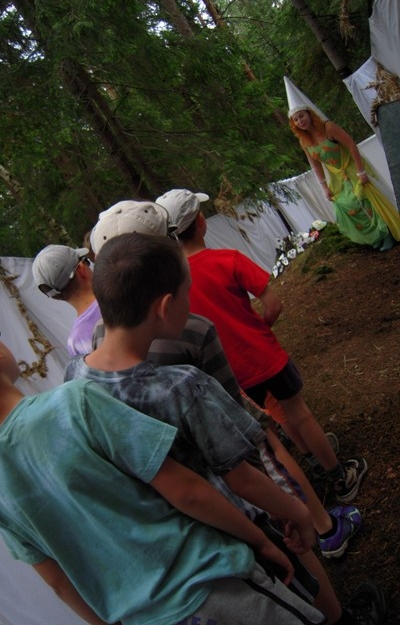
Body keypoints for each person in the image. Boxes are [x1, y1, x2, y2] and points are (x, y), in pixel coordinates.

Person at [0, 286, 328, 625]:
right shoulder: (73, 403)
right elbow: (185, 491)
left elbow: (58, 581)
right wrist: (260, 542)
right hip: (211, 585)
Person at [65, 231, 385, 625]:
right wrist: (298, 512)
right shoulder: (182, 387)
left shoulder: (75, 376)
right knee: (292, 582)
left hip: (176, 540)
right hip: (234, 519)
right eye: (186, 294)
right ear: (165, 307)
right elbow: (241, 476)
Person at [87, 200, 362, 561]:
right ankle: (324, 525)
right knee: (272, 446)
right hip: (234, 425)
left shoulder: (99, 341)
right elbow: (240, 421)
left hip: (198, 486)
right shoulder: (191, 325)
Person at [155, 189, 368, 506]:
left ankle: (312, 462)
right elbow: (274, 304)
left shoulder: (173, 286)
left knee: (276, 420)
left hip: (230, 375)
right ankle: (339, 476)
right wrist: (260, 328)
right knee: (299, 413)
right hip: (264, 356)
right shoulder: (229, 259)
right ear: (201, 222)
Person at [288, 106, 400, 251]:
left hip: (352, 166)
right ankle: (375, 236)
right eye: (295, 120)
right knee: (348, 204)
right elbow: (316, 165)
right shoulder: (304, 141)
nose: (300, 121)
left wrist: (361, 171)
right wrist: (324, 186)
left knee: (366, 198)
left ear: (309, 114)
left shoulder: (328, 128)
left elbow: (351, 145)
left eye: (302, 116)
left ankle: (387, 233)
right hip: (336, 175)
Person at [32, 244, 100, 356]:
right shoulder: (121, 295)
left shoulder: (75, 344)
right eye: (85, 261)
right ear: (82, 269)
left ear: (55, 296)